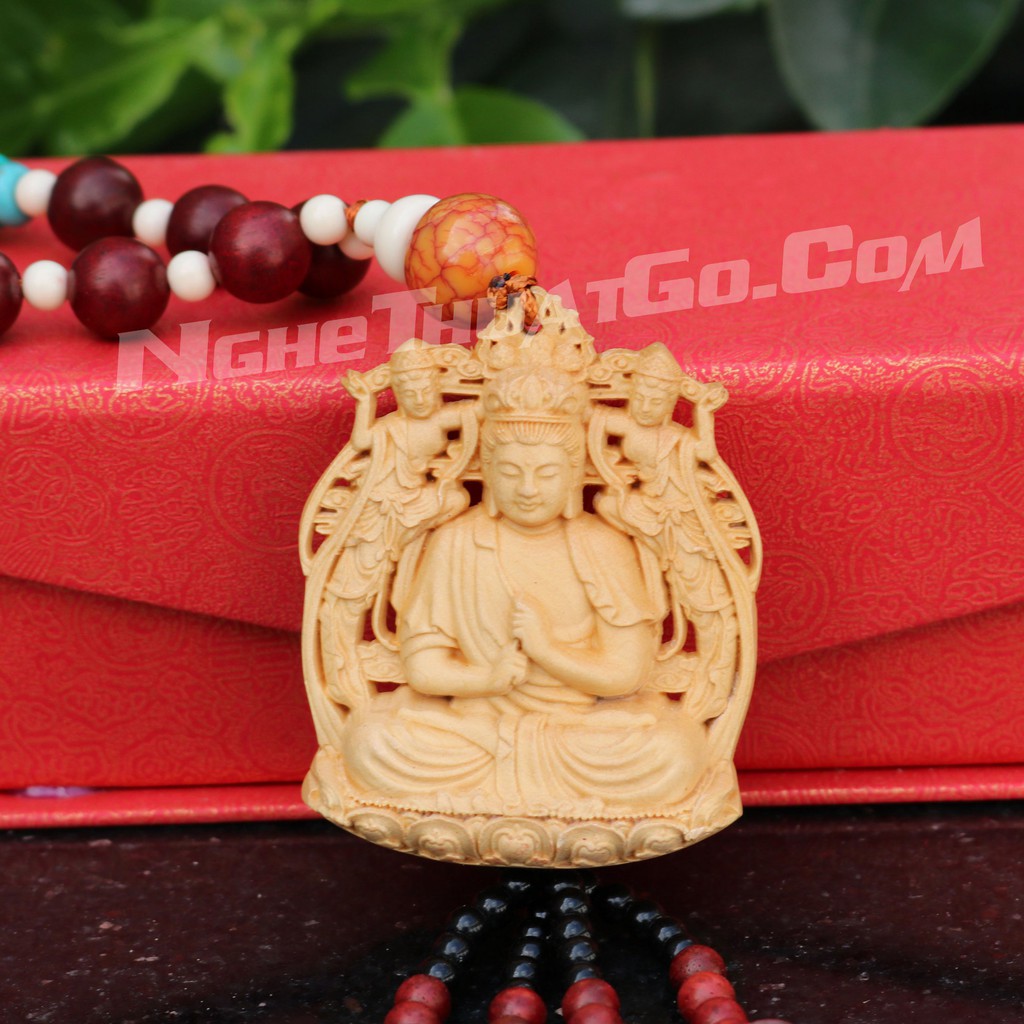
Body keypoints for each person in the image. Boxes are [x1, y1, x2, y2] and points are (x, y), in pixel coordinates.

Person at [338, 364, 708, 818]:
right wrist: (486, 680)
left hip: (579, 728)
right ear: (487, 472)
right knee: (373, 741)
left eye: (547, 473)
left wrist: (545, 649)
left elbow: (626, 674)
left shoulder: (602, 544)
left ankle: (500, 791)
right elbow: (423, 669)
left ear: (574, 475)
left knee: (673, 751)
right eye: (510, 472)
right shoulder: (456, 542)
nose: (528, 490)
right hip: (473, 728)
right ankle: (537, 792)